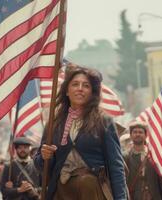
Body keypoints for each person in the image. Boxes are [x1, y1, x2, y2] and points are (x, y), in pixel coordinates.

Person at [34, 66, 128, 200]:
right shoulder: (54, 124)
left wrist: (121, 198)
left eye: (86, 86)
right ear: (67, 91)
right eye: (75, 84)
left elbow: (116, 165)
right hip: (61, 191)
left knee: (87, 182)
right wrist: (44, 156)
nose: (80, 88)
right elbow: (41, 167)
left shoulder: (103, 121)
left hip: (92, 191)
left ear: (92, 92)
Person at [124, 121, 162, 200]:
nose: (138, 134)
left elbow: (161, 181)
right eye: (135, 132)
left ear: (146, 135)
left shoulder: (155, 156)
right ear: (130, 135)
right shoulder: (125, 157)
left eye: (140, 132)